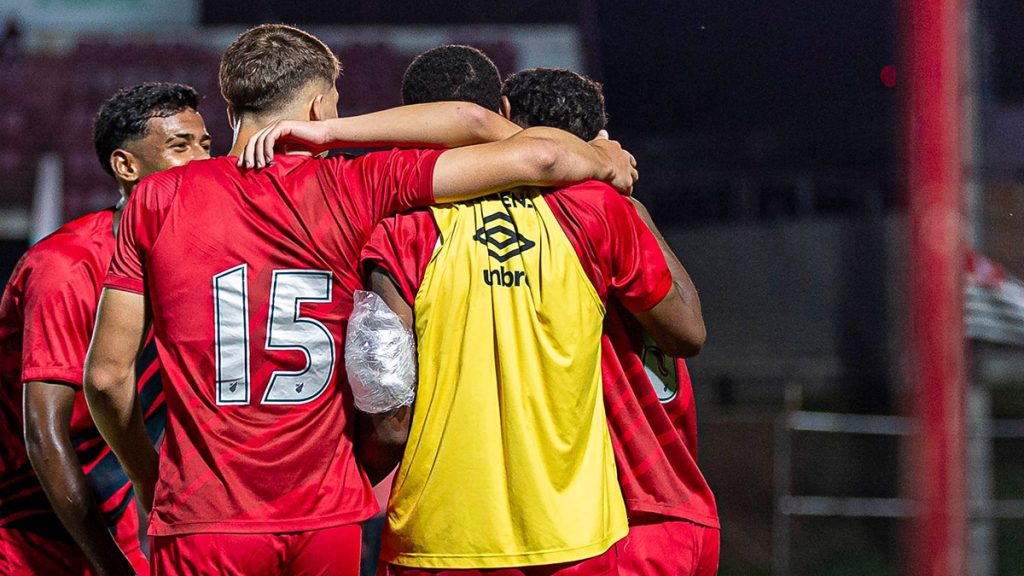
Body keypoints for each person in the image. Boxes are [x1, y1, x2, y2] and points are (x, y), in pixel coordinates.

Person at [83, 24, 637, 576]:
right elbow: (514, 142)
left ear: (230, 112)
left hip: (204, 516)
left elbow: (107, 377)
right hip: (326, 512)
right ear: (319, 106)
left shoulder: (158, 197)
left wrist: (149, 480)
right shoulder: (360, 182)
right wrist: (599, 156)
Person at [345, 50, 704, 574]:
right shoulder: (595, 209)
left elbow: (389, 407)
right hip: (576, 536)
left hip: (441, 537)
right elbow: (688, 332)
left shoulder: (398, 228)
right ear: (504, 111)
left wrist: (346, 486)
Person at [503, 68, 720, 576]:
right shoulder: (618, 210)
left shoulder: (564, 214)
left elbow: (689, 334)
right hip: (679, 512)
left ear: (508, 118)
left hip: (619, 520)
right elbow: (691, 326)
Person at [0, 82, 210, 575]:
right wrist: (112, 569)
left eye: (206, 145)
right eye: (180, 146)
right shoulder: (65, 269)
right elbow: (43, 436)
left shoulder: (199, 261)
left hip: (118, 515)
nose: (203, 161)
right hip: (28, 530)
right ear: (126, 166)